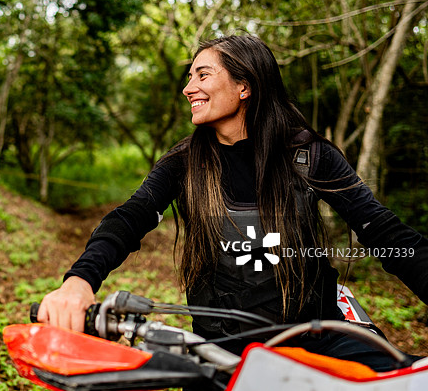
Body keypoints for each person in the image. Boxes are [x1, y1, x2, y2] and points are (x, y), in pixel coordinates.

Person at [38, 34, 428, 371]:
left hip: (319, 337)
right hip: (220, 351)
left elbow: (383, 231)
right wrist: (78, 282)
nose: (188, 87)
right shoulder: (183, 163)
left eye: (202, 74)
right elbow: (130, 218)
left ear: (245, 86)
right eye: (189, 77)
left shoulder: (308, 155)